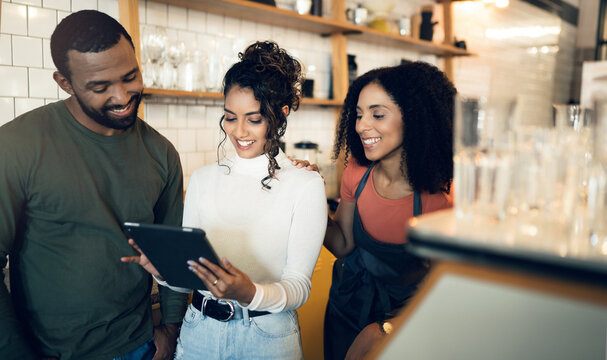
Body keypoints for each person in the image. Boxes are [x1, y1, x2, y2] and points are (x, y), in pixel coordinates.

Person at [0, 10, 188, 360]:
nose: (121, 96)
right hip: (48, 351)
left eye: (130, 76)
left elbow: (173, 248)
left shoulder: (161, 153)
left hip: (140, 346)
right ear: (65, 83)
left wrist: (172, 330)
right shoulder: (17, 145)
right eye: (100, 87)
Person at [122, 41, 328, 359]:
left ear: (282, 113)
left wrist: (249, 293)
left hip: (267, 337)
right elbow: (191, 280)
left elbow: (298, 287)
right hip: (199, 332)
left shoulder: (305, 184)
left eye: (254, 119)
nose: (239, 131)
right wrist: (163, 271)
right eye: (230, 117)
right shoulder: (204, 179)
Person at [323, 62, 456, 360]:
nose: (360, 126)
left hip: (411, 319)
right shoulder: (356, 174)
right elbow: (343, 244)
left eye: (377, 114)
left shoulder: (443, 197)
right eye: (358, 115)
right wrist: (309, 201)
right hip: (349, 308)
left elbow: (447, 292)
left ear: (415, 118)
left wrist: (386, 329)